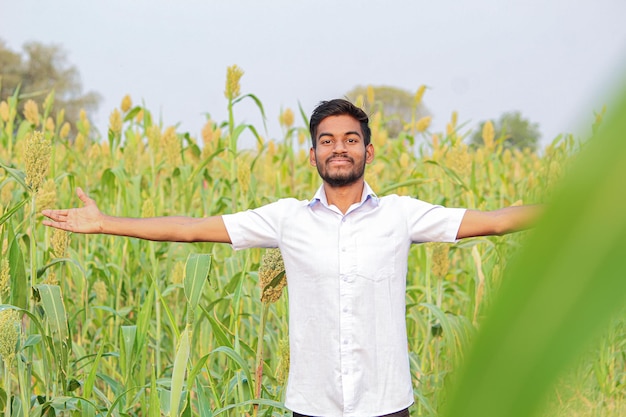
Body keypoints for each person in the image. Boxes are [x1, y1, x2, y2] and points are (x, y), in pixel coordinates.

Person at [42, 99, 540, 417]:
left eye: (350, 140)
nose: (338, 148)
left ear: (369, 153)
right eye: (327, 141)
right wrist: (105, 222)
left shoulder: (402, 216)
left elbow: (496, 219)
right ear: (312, 155)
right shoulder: (287, 220)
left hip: (386, 403)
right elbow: (193, 230)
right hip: (313, 405)